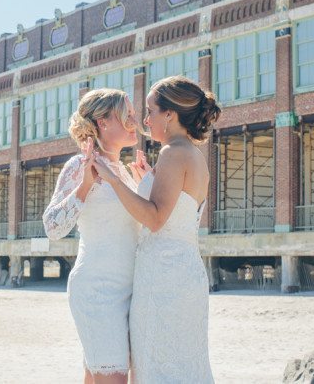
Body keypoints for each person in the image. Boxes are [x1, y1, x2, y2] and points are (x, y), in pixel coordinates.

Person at [91, 75, 221, 383]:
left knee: (158, 366)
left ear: (170, 114)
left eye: (150, 111)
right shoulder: (192, 154)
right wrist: (144, 182)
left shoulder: (173, 153)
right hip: (183, 271)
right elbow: (177, 213)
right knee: (183, 363)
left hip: (164, 279)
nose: (146, 120)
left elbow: (155, 219)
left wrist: (111, 178)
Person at [42, 88, 148, 384]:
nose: (135, 121)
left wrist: (146, 187)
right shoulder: (79, 165)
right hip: (97, 291)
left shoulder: (125, 172)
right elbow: (52, 227)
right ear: (103, 121)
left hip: (130, 293)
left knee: (99, 376)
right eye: (127, 115)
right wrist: (85, 185)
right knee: (113, 378)